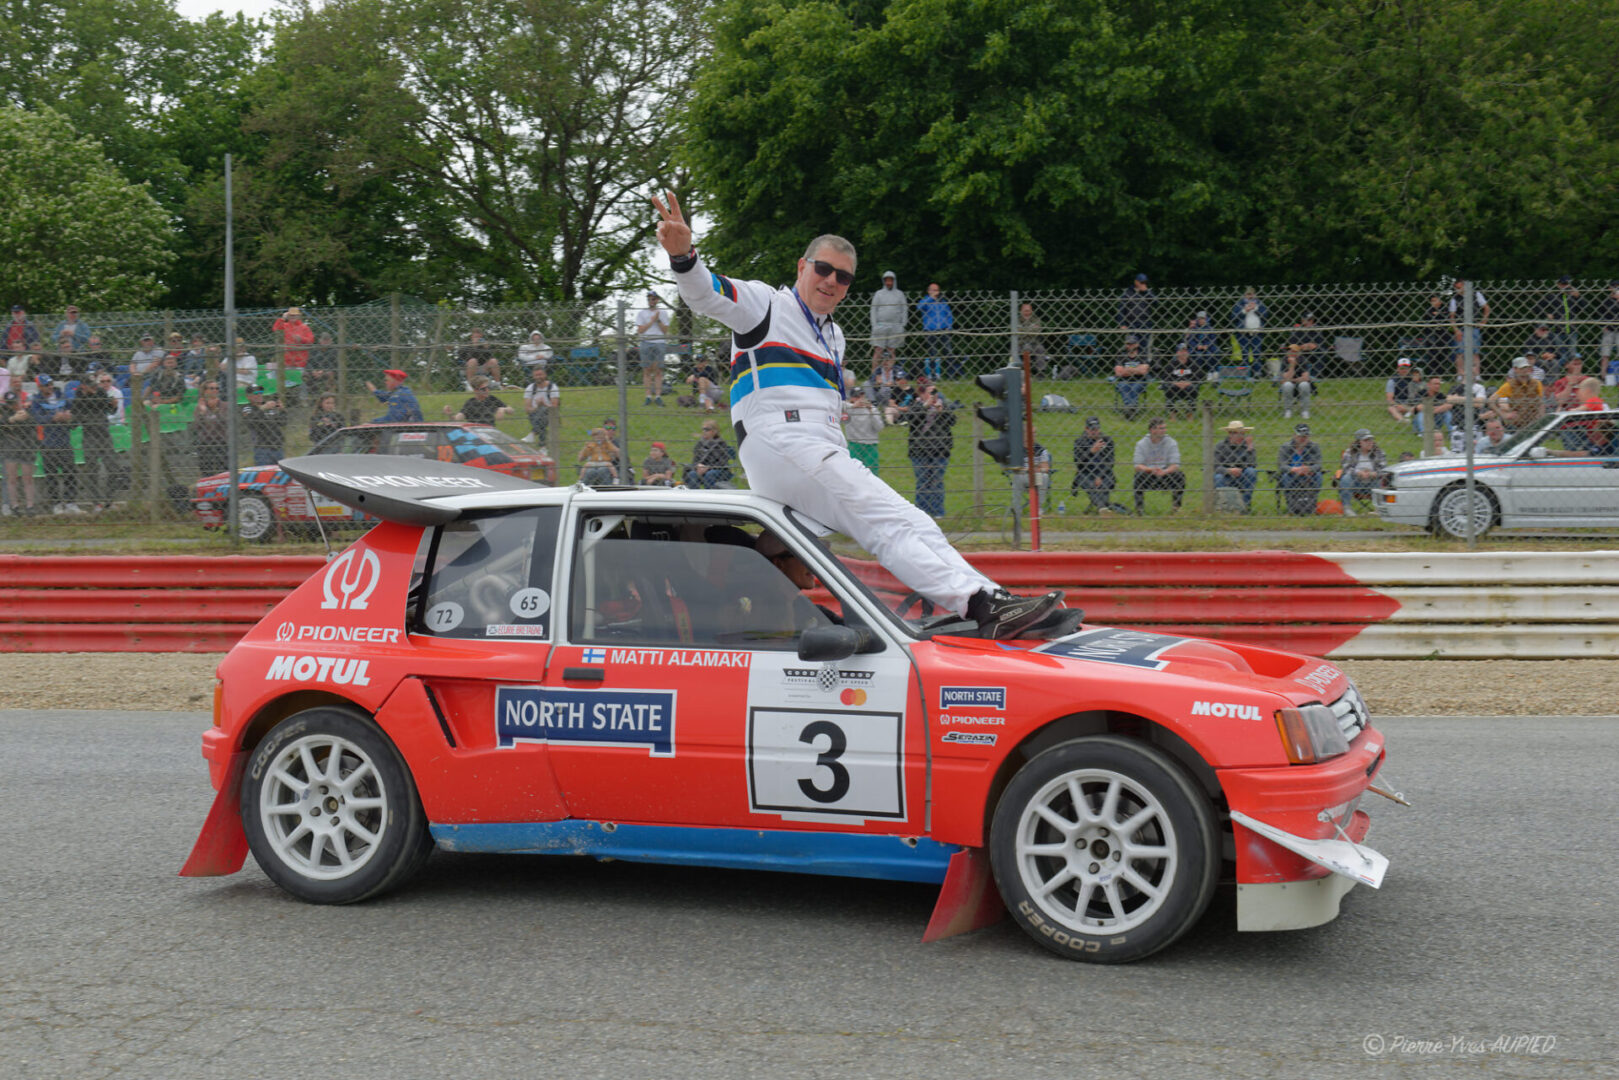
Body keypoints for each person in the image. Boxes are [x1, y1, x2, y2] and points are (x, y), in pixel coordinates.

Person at [653, 189, 1060, 636]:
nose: (831, 281)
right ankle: (979, 605)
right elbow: (706, 293)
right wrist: (684, 255)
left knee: (913, 518)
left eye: (843, 277)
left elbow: (828, 411)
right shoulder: (765, 304)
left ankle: (993, 599)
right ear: (801, 268)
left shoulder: (836, 337)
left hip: (813, 448)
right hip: (778, 441)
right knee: (881, 516)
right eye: (823, 269)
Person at [900, 382, 955, 518]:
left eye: (934, 392)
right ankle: (921, 512)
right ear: (921, 393)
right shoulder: (916, 405)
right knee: (923, 481)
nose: (932, 395)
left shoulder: (943, 404)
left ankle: (938, 512)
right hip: (919, 450)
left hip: (940, 449)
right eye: (928, 392)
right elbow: (911, 420)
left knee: (937, 481)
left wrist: (942, 411)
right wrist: (925, 407)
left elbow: (953, 421)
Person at [71, 371, 121, 511]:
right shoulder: (79, 397)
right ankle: (96, 502)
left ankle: (109, 500)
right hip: (89, 437)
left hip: (104, 435)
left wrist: (113, 405)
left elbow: (108, 411)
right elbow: (74, 421)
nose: (94, 388)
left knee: (113, 468)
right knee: (92, 469)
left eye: (94, 384)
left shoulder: (100, 392)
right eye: (89, 385)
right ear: (83, 386)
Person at [30, 376, 79, 513]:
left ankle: (70, 503)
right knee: (51, 475)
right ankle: (56, 503)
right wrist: (53, 417)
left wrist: (69, 416)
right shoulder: (37, 400)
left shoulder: (61, 396)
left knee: (70, 472)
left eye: (51, 384)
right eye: (46, 385)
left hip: (64, 440)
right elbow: (37, 419)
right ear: (40, 387)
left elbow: (73, 412)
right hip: (48, 443)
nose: (50, 387)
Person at [1131, 416, 1183, 514]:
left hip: (1166, 473)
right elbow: (1137, 465)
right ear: (1152, 430)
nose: (1164, 430)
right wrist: (1150, 470)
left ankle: (1176, 507)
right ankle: (1139, 508)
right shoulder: (1141, 444)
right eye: (1161, 428)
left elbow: (1175, 464)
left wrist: (1164, 471)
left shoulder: (1171, 442)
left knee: (1180, 476)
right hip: (1148, 473)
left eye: (1164, 428)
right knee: (1138, 477)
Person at [0, 390, 38, 515]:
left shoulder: (27, 410)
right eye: (11, 404)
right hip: (10, 448)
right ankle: (14, 506)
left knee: (28, 478)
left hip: (26, 447)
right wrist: (12, 419)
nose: (13, 405)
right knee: (12, 478)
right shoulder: (4, 413)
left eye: (15, 402)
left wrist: (25, 417)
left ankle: (30, 506)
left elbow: (34, 424)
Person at [1071, 416, 1117, 513]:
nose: (1094, 432)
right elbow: (1078, 464)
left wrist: (1100, 475)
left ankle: (1102, 508)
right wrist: (1091, 451)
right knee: (1090, 484)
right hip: (1086, 473)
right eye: (1092, 429)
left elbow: (1110, 462)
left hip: (1104, 473)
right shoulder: (1079, 442)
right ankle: (1103, 507)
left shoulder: (1107, 441)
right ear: (1086, 429)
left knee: (1105, 483)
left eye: (1096, 429)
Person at [1336, 429, 1387, 517]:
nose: (1370, 442)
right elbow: (1346, 468)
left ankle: (1379, 509)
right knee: (1345, 479)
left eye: (1371, 439)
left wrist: (1372, 474)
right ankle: (1347, 508)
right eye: (1366, 440)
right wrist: (1359, 472)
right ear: (1358, 442)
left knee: (1381, 481)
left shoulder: (1378, 452)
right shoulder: (1350, 452)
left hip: (1372, 482)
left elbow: (1383, 469)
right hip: (1355, 482)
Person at [636, 291, 672, 405]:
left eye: (654, 299)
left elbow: (665, 331)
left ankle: (657, 396)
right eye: (650, 299)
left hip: (659, 343)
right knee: (646, 370)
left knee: (658, 371)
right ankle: (648, 396)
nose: (652, 301)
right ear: (648, 300)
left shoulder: (663, 313)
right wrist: (652, 321)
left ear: (657, 300)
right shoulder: (642, 313)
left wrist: (658, 320)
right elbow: (640, 330)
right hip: (646, 342)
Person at [1277, 423, 1322, 516]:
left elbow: (1319, 465)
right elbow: (1281, 465)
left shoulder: (1314, 447)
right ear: (1294, 435)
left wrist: (1309, 469)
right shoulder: (1285, 447)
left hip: (1309, 474)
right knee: (1285, 477)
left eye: (1306, 436)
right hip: (1291, 474)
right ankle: (1292, 508)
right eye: (1300, 436)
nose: (1303, 438)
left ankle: (1311, 506)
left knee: (1318, 476)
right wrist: (1293, 469)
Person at [1212, 419, 1257, 511]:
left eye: (1243, 434)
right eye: (1239, 433)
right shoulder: (1220, 446)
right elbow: (1215, 466)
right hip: (1225, 475)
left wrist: (1249, 449)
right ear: (1230, 434)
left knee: (1251, 472)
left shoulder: (1248, 446)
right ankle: (1223, 506)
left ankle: (1244, 506)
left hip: (1242, 474)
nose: (1242, 436)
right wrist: (1229, 471)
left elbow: (1253, 464)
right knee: (1218, 477)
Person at [1449, 277, 1489, 378]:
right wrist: (1456, 330)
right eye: (1456, 288)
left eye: (1459, 287)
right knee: (1460, 353)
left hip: (1474, 327)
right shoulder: (1454, 299)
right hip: (1461, 328)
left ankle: (1476, 374)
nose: (1458, 290)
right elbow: (1452, 317)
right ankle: (1460, 375)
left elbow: (1487, 308)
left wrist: (1483, 321)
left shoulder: (1476, 294)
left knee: (1475, 352)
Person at [190, 380, 231, 477]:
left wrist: (216, 411)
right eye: (212, 388)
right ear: (205, 391)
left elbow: (226, 423)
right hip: (205, 444)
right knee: (207, 473)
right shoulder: (199, 407)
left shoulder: (225, 406)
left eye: (217, 388)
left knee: (224, 472)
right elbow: (197, 426)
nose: (215, 390)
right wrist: (203, 412)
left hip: (222, 443)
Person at [1492, 357, 1545, 429]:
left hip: (1533, 423)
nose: (1525, 370)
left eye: (1526, 367)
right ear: (1515, 369)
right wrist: (1504, 415)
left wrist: (1541, 419)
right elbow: (1491, 401)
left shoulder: (1536, 383)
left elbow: (1541, 404)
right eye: (1522, 368)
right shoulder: (1509, 385)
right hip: (1516, 425)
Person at [915, 282, 954, 380]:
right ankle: (933, 376)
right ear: (928, 291)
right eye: (933, 290)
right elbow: (919, 307)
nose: (935, 292)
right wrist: (931, 298)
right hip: (930, 331)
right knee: (933, 353)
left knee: (948, 352)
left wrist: (949, 326)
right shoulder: (926, 301)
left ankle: (951, 375)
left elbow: (949, 315)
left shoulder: (943, 302)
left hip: (943, 330)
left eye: (936, 290)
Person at [1538, 276, 1582, 361]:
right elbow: (1538, 307)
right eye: (1563, 284)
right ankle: (1560, 371)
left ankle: (1571, 372)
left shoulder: (1573, 296)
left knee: (1572, 354)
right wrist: (1546, 314)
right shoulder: (1552, 296)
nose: (1565, 286)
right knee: (1561, 354)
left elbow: (1584, 308)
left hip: (1572, 329)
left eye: (1567, 284)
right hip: (1558, 330)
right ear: (1558, 285)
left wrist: (1578, 297)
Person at [241, 386, 286, 467]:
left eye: (260, 393)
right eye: (255, 393)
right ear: (248, 396)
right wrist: (263, 408)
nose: (259, 395)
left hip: (277, 447)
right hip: (262, 448)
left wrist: (282, 410)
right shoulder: (248, 408)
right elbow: (251, 422)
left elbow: (282, 422)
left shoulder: (269, 407)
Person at [870, 271, 907, 367]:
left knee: (891, 351)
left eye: (890, 280)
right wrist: (874, 325)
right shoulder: (879, 294)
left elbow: (904, 309)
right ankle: (874, 375)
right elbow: (874, 309)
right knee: (878, 350)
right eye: (887, 280)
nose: (889, 283)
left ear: (894, 281)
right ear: (884, 281)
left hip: (895, 326)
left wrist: (903, 324)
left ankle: (888, 375)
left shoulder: (900, 294)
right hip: (880, 325)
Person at [843, 385, 884, 473]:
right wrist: (852, 406)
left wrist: (871, 411)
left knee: (872, 473)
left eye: (861, 395)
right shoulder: (848, 409)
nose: (860, 399)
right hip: (854, 444)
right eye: (856, 396)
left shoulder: (872, 409)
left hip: (870, 445)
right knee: (854, 472)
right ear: (852, 398)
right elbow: (840, 412)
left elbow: (879, 427)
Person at [685, 419, 735, 489]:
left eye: (707, 429)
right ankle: (695, 496)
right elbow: (695, 460)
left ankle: (709, 496)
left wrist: (708, 467)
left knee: (709, 474)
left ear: (715, 431)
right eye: (703, 429)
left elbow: (722, 463)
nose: (704, 431)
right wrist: (698, 465)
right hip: (702, 469)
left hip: (720, 470)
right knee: (692, 474)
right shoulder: (700, 443)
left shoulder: (721, 443)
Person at [1117, 272, 1155, 360]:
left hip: (1145, 323)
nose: (1143, 284)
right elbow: (1121, 309)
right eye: (1141, 282)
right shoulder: (1128, 293)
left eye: (1145, 283)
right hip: (1131, 323)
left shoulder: (1147, 292)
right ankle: (1130, 365)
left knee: (1144, 346)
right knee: (1131, 345)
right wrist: (1122, 323)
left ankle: (1143, 365)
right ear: (1136, 282)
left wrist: (1146, 292)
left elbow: (1155, 303)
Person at [1159, 342, 1200, 421]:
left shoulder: (1193, 364)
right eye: (1181, 351)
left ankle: (1189, 414)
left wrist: (1188, 383)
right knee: (1169, 388)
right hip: (1175, 388)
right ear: (1177, 353)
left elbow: (1199, 377)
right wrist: (1176, 383)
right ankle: (1173, 414)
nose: (1184, 353)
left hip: (1189, 387)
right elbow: (1165, 377)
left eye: (1185, 351)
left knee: (1194, 388)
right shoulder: (1171, 364)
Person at [522, 365, 560, 449]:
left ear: (545, 375)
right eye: (536, 375)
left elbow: (555, 407)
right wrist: (537, 407)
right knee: (540, 415)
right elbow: (527, 409)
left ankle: (533, 434)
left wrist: (544, 404)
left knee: (543, 410)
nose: (538, 377)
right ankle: (543, 447)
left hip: (550, 414)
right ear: (533, 376)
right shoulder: (530, 388)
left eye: (540, 374)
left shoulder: (552, 387)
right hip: (534, 414)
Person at [447, 376, 513, 424]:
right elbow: (457, 419)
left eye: (488, 388)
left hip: (490, 430)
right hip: (476, 432)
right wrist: (450, 415)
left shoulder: (492, 399)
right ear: (476, 390)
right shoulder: (470, 403)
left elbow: (511, 411)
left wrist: (503, 409)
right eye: (483, 389)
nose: (487, 390)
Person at [1230, 288, 1267, 374]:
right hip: (1243, 332)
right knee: (1245, 353)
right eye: (1248, 294)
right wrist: (1244, 311)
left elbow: (1266, 316)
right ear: (1245, 295)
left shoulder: (1259, 303)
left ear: (1255, 295)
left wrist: (1256, 309)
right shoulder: (1239, 304)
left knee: (1257, 352)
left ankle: (1257, 372)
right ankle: (1246, 373)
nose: (1250, 296)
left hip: (1257, 332)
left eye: (1252, 294)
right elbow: (1233, 317)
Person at [1279, 332, 1315, 419]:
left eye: (1293, 351)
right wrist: (1292, 365)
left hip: (1300, 384)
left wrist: (1292, 380)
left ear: (1298, 353)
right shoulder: (1284, 360)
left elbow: (1305, 378)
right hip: (1290, 385)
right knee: (1287, 385)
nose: (1291, 353)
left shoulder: (1302, 360)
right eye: (1290, 350)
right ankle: (1288, 410)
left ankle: (1305, 411)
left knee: (1304, 385)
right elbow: (1286, 378)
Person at [1113, 335, 1150, 419]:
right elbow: (1118, 372)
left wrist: (1127, 370)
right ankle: (1131, 408)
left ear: (1137, 344)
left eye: (1132, 344)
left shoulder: (1143, 355)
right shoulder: (1121, 355)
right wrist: (1137, 370)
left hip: (1140, 381)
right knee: (1123, 386)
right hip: (1123, 381)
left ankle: (1129, 409)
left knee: (1135, 387)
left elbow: (1144, 371)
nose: (1130, 346)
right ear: (1126, 345)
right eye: (1128, 344)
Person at [272, 307, 314, 376]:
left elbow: (311, 340)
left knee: (297, 381)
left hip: (299, 360)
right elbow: (276, 329)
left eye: (294, 315)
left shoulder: (304, 327)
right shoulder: (284, 325)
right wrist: (282, 318)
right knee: (285, 380)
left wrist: (301, 339)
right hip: (286, 360)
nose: (292, 317)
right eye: (291, 315)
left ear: (299, 316)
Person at [1385, 357, 1423, 424]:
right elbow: (1389, 399)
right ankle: (1403, 420)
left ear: (1409, 369)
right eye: (1402, 368)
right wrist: (1397, 405)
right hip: (1399, 404)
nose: (1404, 370)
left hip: (1412, 404)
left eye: (1406, 368)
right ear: (1397, 369)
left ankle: (1410, 412)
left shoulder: (1414, 379)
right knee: (1391, 408)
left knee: (1422, 405)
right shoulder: (1392, 381)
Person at [1015, 302, 1048, 374]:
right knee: (1026, 348)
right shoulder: (1017, 320)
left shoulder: (1036, 319)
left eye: (1028, 310)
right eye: (1025, 310)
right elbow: (1018, 332)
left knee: (1040, 349)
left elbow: (1037, 331)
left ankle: (1041, 372)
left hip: (1034, 342)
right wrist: (1031, 329)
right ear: (1021, 311)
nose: (1027, 312)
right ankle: (1026, 371)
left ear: (1031, 311)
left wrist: (1024, 330)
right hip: (1021, 343)